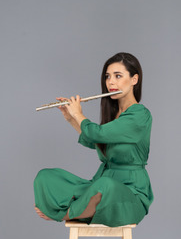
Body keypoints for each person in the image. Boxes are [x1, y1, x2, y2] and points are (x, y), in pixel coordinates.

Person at [34, 52, 153, 227]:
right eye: (108, 77)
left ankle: (66, 213)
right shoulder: (114, 115)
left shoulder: (139, 115)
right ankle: (86, 211)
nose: (111, 82)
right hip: (101, 183)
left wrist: (79, 114)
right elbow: (95, 140)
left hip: (130, 195)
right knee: (45, 177)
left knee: (104, 186)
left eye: (118, 76)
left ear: (134, 79)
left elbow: (96, 133)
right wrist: (70, 118)